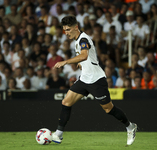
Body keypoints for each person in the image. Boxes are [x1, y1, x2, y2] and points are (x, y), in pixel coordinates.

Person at [52, 15, 137, 146]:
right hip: (84, 79)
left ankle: (130, 127)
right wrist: (81, 65)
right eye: (64, 30)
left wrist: (65, 62)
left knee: (108, 109)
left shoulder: (83, 39)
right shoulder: (77, 40)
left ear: (76, 27)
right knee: (66, 102)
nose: (66, 33)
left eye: (68, 29)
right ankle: (58, 134)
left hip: (96, 80)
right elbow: (87, 58)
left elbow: (84, 55)